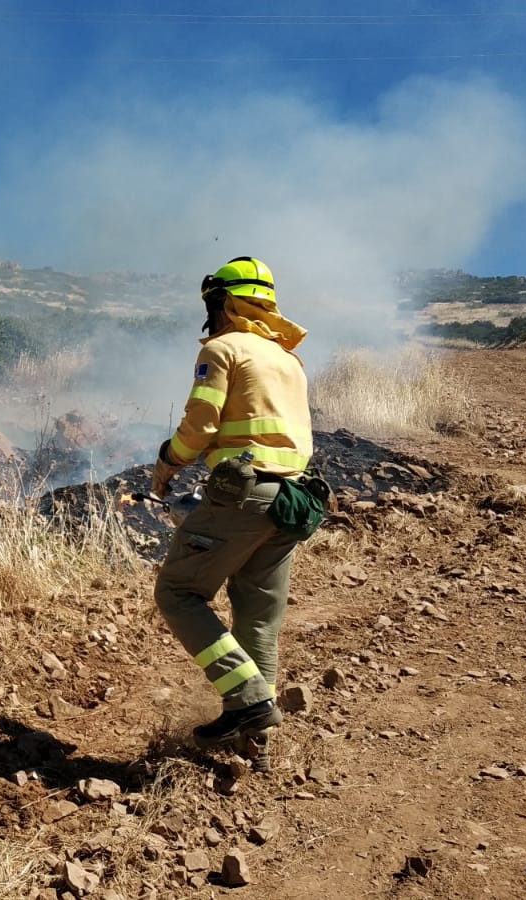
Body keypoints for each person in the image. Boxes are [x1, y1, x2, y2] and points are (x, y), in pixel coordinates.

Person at [150, 256, 312, 772]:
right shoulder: (288, 359)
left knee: (177, 592)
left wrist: (167, 463)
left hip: (242, 496)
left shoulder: (223, 349)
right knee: (258, 620)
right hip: (291, 502)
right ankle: (255, 751)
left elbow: (199, 427)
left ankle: (248, 699)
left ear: (221, 301)